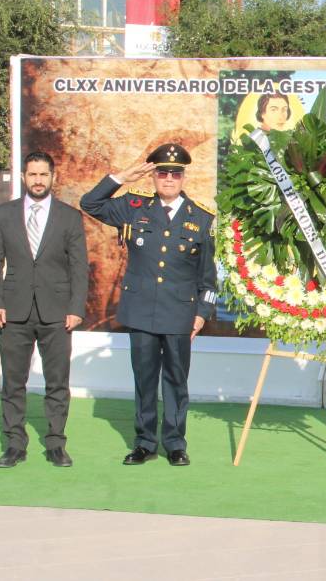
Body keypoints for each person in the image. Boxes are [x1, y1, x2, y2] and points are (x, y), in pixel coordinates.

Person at [80, 143, 217, 467]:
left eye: (175, 173)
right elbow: (91, 203)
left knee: (175, 381)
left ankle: (174, 443)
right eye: (162, 172)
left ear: (183, 177)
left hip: (179, 314)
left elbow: (208, 279)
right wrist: (121, 177)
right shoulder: (133, 207)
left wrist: (201, 314)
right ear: (154, 175)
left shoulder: (201, 219)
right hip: (141, 312)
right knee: (144, 380)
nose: (168, 178)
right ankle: (144, 442)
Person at [0, 150, 88, 468]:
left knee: (57, 382)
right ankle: (15, 443)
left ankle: (56, 443)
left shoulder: (69, 217)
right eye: (33, 174)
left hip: (56, 312)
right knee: (13, 382)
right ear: (23, 177)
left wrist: (75, 307)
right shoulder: (4, 214)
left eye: (44, 174)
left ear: (52, 177)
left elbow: (79, 266)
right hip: (13, 311)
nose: (38, 180)